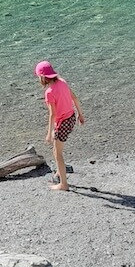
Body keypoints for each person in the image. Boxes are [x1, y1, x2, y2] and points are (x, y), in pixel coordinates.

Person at [34, 60, 85, 191]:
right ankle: (59, 172)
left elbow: (53, 114)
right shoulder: (62, 82)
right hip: (71, 118)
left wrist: (49, 133)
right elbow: (75, 98)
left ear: (42, 77)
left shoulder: (49, 92)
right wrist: (80, 114)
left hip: (62, 123)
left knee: (58, 153)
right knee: (57, 150)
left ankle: (63, 184)